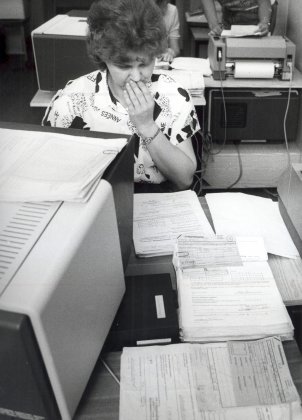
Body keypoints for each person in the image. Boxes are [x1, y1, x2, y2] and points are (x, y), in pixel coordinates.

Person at [42, 0, 199, 192]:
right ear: (103, 58)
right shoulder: (70, 102)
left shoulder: (174, 95)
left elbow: (185, 179)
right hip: (95, 200)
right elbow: (53, 177)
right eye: (124, 66)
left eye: (144, 64)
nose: (136, 76)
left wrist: (147, 126)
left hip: (159, 199)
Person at [200, 0, 276, 37]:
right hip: (230, 10)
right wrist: (214, 26)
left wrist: (264, 22)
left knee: (257, 50)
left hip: (258, 9)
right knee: (228, 49)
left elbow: (263, 2)